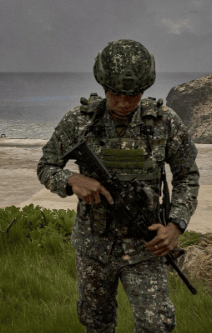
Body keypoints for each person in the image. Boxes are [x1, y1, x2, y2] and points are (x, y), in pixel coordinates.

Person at [37, 39, 199, 332]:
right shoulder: (78, 121)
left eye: (134, 95)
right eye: (116, 94)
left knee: (157, 324)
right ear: (103, 87)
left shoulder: (165, 123)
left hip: (146, 245)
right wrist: (72, 180)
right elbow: (46, 166)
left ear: (145, 90)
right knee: (96, 323)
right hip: (93, 246)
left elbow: (187, 175)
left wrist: (175, 226)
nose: (124, 103)